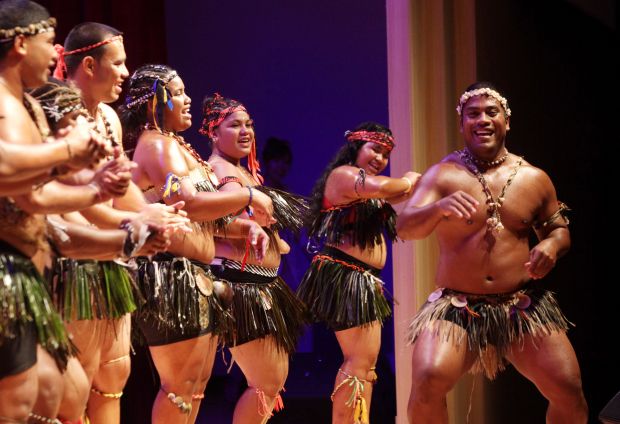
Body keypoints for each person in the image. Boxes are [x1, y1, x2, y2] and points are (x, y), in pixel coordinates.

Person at [397, 82, 588, 423]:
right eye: (473, 113)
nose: (482, 119)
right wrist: (438, 207)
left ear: (507, 120)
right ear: (462, 124)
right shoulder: (443, 174)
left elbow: (559, 231)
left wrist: (550, 246)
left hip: (521, 304)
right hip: (457, 306)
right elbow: (406, 227)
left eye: (491, 112)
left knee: (568, 390)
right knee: (427, 381)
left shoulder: (534, 178)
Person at [119, 64, 275, 424]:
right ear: (154, 102)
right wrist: (248, 195)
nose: (187, 99)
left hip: (195, 277)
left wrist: (242, 229)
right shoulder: (157, 144)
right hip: (172, 276)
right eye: (177, 93)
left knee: (194, 388)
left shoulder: (177, 146)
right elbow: (189, 204)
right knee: (180, 388)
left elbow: (206, 218)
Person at [296, 122, 417, 423]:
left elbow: (394, 195)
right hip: (345, 276)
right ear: (355, 148)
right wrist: (411, 180)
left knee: (365, 365)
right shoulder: (346, 176)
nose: (380, 158)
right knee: (358, 363)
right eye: (374, 149)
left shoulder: (367, 187)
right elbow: (392, 188)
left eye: (386, 153)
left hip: (361, 279)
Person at [201, 93, 307, 423]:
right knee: (266, 382)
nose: (246, 131)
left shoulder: (240, 172)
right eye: (235, 125)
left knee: (269, 382)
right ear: (214, 133)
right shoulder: (223, 172)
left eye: (249, 124)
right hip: (243, 287)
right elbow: (211, 219)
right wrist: (250, 224)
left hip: (259, 285)